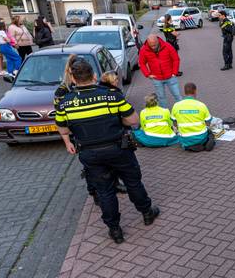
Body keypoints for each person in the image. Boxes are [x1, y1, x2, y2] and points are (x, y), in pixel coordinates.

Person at [54, 57, 159, 244]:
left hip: (90, 154)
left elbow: (63, 128)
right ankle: (146, 213)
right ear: (94, 76)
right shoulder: (111, 95)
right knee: (133, 182)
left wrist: (69, 139)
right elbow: (134, 120)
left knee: (105, 191)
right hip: (118, 149)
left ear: (74, 79)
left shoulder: (65, 103)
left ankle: (115, 230)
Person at [139, 34, 182, 108]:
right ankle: (164, 114)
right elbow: (141, 63)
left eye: (154, 45)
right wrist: (148, 74)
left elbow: (176, 59)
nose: (153, 47)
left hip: (170, 76)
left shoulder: (167, 46)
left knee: (177, 95)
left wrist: (174, 72)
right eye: (151, 46)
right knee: (161, 98)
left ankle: (182, 111)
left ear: (158, 41)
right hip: (157, 78)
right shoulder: (144, 50)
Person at [171, 82, 215, 151]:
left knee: (183, 138)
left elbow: (174, 122)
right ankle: (204, 143)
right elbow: (208, 122)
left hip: (184, 138)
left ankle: (188, 146)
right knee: (210, 133)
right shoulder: (201, 105)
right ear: (195, 91)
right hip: (200, 137)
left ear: (184, 92)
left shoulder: (176, 105)